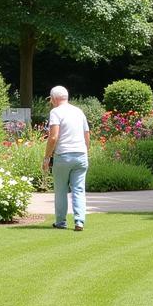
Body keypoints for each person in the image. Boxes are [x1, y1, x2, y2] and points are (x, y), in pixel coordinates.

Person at [42, 85, 90, 231]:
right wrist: (85, 151)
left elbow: (53, 136)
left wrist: (46, 157)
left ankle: (61, 222)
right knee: (79, 190)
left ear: (54, 99)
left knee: (61, 190)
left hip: (63, 156)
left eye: (51, 100)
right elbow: (86, 134)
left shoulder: (56, 112)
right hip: (81, 155)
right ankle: (79, 221)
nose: (51, 102)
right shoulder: (78, 111)